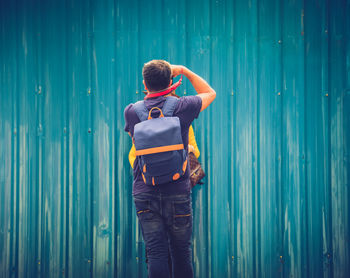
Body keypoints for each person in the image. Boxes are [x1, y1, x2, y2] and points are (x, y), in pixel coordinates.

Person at [124, 60, 216, 278]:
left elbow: (137, 147)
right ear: (171, 82)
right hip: (177, 191)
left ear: (145, 83)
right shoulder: (183, 107)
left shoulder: (132, 111)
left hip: (145, 190)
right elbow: (210, 92)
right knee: (181, 253)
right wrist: (184, 70)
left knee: (156, 253)